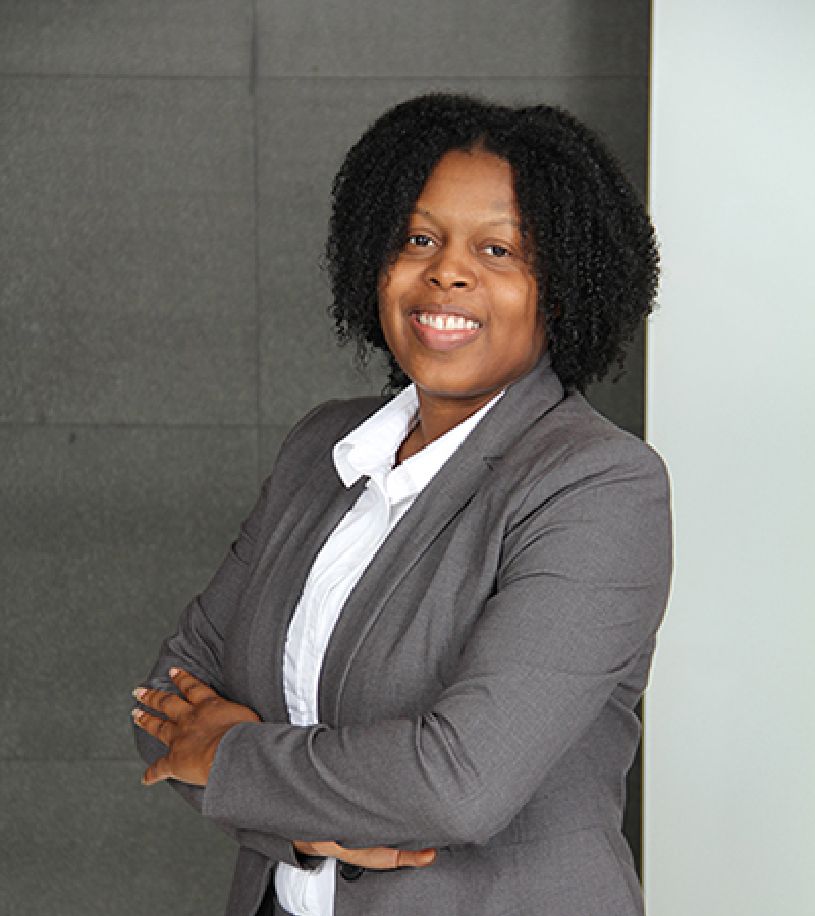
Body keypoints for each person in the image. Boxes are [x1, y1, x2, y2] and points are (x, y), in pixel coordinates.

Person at [132, 93, 672, 916]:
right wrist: (310, 831)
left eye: (498, 249)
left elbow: (457, 784)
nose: (446, 272)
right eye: (418, 238)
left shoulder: (598, 485)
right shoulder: (323, 450)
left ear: (559, 290)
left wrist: (233, 758)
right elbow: (165, 705)